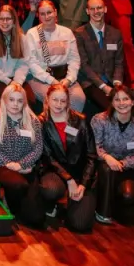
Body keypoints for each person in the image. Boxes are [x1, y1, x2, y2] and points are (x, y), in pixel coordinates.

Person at [38, 83, 98, 233]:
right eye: (55, 100)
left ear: (68, 102)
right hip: (55, 171)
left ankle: (71, 205)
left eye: (62, 101)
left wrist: (83, 184)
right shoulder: (41, 122)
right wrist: (68, 179)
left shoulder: (81, 120)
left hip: (80, 173)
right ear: (47, 99)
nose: (58, 105)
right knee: (51, 190)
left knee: (81, 225)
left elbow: (91, 156)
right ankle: (53, 203)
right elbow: (48, 157)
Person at [0, 82, 46, 228]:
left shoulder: (33, 121)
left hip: (26, 167)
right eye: (11, 100)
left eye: (20, 101)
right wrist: (10, 164)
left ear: (24, 103)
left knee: (37, 219)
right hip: (0, 165)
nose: (15, 104)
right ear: (5, 100)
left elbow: (38, 148)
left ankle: (17, 207)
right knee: (18, 184)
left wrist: (21, 164)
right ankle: (12, 210)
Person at [91, 86, 134, 224]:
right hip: (102, 166)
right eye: (117, 99)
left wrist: (123, 163)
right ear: (111, 102)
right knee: (107, 168)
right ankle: (103, 212)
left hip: (127, 169)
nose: (121, 103)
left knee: (129, 197)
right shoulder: (99, 120)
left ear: (132, 102)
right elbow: (94, 145)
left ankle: (114, 203)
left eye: (125, 99)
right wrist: (107, 157)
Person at [24, 0, 86, 113]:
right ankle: (57, 129)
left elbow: (74, 59)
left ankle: (70, 129)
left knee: (78, 98)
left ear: (55, 12)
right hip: (42, 79)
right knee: (57, 99)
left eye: (49, 12)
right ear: (38, 15)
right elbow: (31, 63)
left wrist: (69, 79)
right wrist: (51, 81)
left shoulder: (67, 32)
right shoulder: (32, 34)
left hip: (65, 78)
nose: (46, 16)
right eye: (42, 14)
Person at [75, 0, 125, 114]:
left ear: (105, 9)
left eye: (99, 8)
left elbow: (119, 62)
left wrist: (117, 83)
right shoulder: (79, 33)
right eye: (92, 9)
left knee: (128, 103)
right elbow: (83, 65)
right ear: (87, 11)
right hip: (91, 82)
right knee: (113, 108)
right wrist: (103, 86)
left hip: (112, 81)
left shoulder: (115, 34)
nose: (96, 11)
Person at [0, 5, 35, 105]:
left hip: (15, 79)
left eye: (8, 19)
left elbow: (23, 64)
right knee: (10, 99)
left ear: (14, 20)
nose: (5, 22)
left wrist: (17, 82)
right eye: (2, 19)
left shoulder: (21, 38)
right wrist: (8, 82)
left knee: (30, 100)